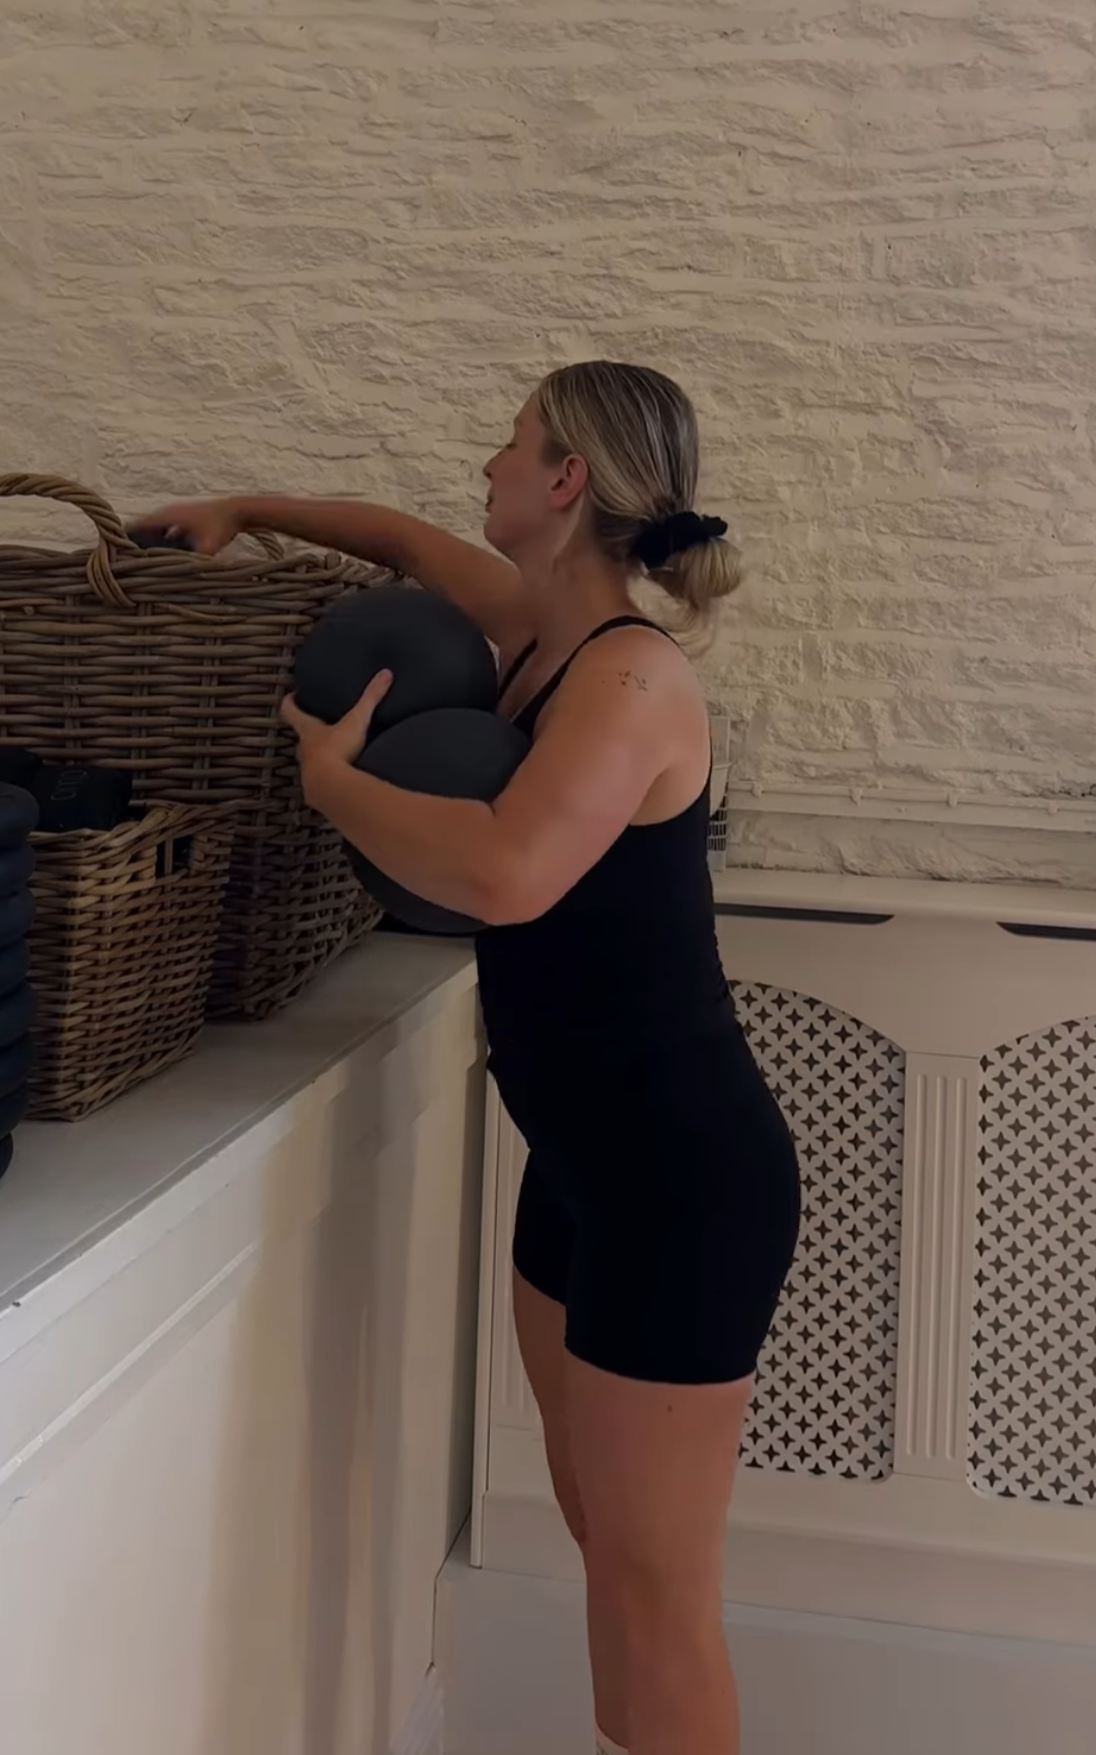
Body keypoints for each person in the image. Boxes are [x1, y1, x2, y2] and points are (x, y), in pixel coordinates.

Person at [140, 360, 801, 1755]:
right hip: (578, 1164)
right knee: (596, 1536)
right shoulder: (534, 633)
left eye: (511, 444)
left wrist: (335, 784)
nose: (487, 463)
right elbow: (390, 537)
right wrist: (240, 506)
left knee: (652, 1588)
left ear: (566, 481)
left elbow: (508, 875)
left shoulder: (626, 678)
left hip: (680, 1180)